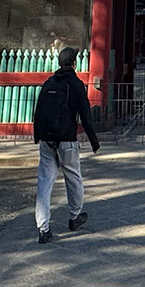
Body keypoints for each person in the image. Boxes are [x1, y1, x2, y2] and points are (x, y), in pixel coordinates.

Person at [31, 46, 100, 244]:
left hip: (47, 139)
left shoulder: (49, 83)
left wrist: (38, 136)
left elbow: (39, 110)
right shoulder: (75, 84)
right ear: (74, 63)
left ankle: (43, 227)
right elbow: (85, 115)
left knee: (44, 182)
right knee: (73, 177)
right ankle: (75, 215)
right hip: (67, 138)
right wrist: (94, 141)